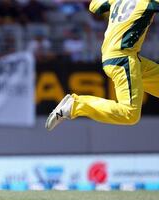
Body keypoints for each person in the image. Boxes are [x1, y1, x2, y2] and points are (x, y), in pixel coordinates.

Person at [46, 0, 159, 131]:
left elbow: (94, 6)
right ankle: (76, 105)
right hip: (123, 59)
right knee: (130, 113)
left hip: (114, 56)